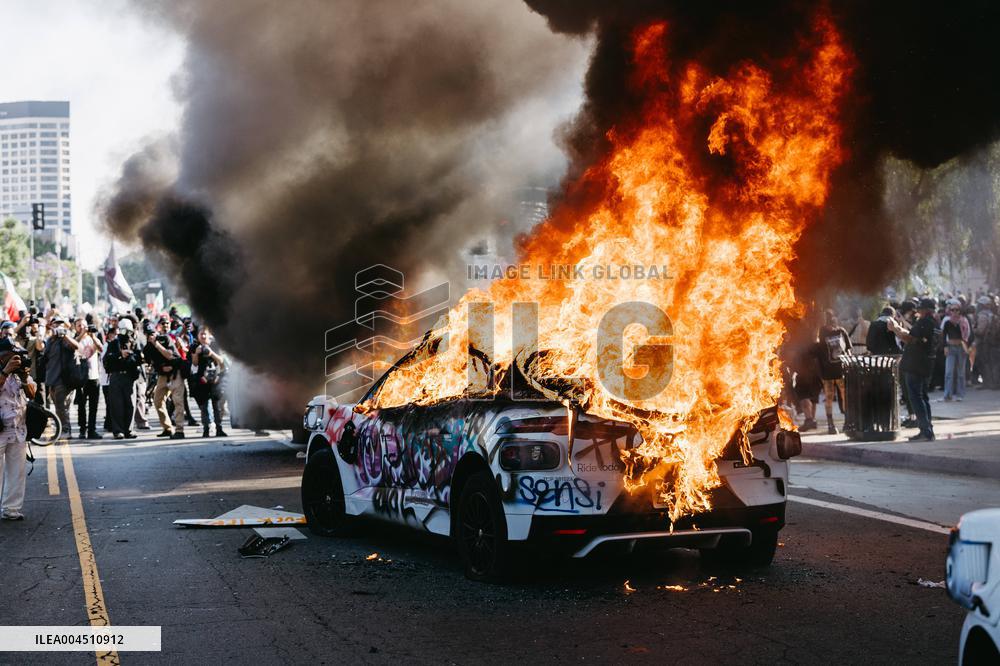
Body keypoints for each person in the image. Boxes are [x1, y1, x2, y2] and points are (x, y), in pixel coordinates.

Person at [889, 298, 938, 441]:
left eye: (921, 309)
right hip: (925, 364)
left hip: (916, 365)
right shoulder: (933, 324)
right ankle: (928, 430)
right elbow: (912, 334)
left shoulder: (924, 323)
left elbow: (910, 339)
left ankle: (925, 431)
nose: (919, 311)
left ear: (926, 310)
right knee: (923, 397)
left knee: (916, 398)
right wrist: (900, 326)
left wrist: (895, 329)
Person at [0, 338, 37, 520]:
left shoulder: (20, 372)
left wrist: (23, 378)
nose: (16, 358)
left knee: (17, 472)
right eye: (12, 355)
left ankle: (11, 509)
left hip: (18, 428)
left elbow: (32, 393)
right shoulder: (5, 370)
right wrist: (5, 371)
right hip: (0, 430)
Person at [146, 320, 188, 439]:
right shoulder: (149, 345)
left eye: (152, 333)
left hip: (175, 374)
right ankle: (167, 428)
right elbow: (148, 360)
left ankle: (180, 430)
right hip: (163, 376)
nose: (151, 336)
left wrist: (156, 344)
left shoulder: (165, 339)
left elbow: (169, 355)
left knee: (178, 401)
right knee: (157, 401)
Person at [103, 319, 141, 440]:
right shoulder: (113, 343)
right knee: (116, 405)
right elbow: (107, 360)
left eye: (128, 331)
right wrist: (119, 355)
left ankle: (129, 429)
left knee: (130, 404)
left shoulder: (135, 343)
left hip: (129, 376)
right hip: (116, 376)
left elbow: (140, 358)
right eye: (123, 330)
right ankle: (118, 430)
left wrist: (130, 356)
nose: (126, 334)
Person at [42, 317, 80, 439]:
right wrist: (51, 335)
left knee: (62, 406)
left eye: (60, 325)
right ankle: (61, 429)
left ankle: (66, 430)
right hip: (52, 379)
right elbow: (43, 352)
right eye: (55, 324)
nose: (58, 327)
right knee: (58, 407)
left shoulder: (66, 339)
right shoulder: (50, 340)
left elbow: (76, 346)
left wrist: (64, 336)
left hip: (64, 380)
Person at [816, 309, 853, 434]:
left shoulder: (825, 332)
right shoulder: (837, 331)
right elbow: (848, 350)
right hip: (836, 370)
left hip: (832, 371)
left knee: (831, 397)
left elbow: (819, 353)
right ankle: (843, 423)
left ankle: (835, 424)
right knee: (839, 396)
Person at [190, 327, 228, 437]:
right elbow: (194, 364)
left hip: (215, 379)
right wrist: (196, 354)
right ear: (198, 335)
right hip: (202, 380)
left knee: (217, 406)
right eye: (201, 334)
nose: (203, 336)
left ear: (209, 334)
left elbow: (221, 361)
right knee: (204, 407)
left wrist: (211, 353)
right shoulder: (194, 346)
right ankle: (206, 429)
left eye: (205, 334)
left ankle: (219, 428)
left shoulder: (215, 344)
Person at [74, 318, 104, 439]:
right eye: (79, 326)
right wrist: (82, 334)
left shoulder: (92, 338)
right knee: (81, 405)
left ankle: (92, 430)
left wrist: (93, 336)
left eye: (83, 325)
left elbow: (101, 349)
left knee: (93, 406)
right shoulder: (75, 338)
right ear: (75, 327)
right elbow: (73, 346)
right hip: (80, 376)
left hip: (93, 376)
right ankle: (82, 429)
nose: (81, 327)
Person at [941, 300, 970, 402]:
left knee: (960, 373)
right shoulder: (947, 321)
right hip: (951, 347)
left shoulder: (964, 321)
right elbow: (943, 335)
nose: (954, 312)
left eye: (956, 310)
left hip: (961, 348)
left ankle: (960, 394)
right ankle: (947, 394)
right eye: (952, 310)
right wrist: (945, 347)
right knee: (948, 372)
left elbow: (967, 335)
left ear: (960, 310)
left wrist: (967, 346)